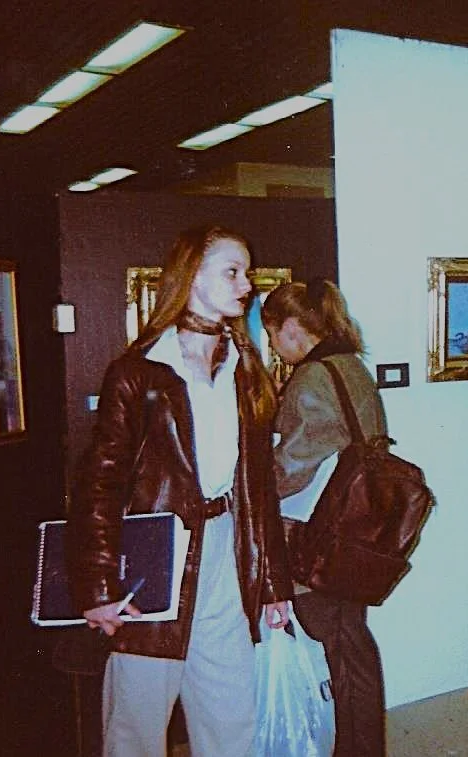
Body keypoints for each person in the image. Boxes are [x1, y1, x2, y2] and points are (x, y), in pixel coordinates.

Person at [68, 223, 293, 757]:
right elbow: (100, 484)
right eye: (232, 272)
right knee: (136, 724)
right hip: (153, 561)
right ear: (192, 277)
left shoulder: (245, 369)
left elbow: (258, 488)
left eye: (247, 273)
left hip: (226, 552)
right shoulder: (139, 373)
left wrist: (272, 582)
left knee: (231, 718)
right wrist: (98, 587)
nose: (247, 285)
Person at [263, 280, 388, 757]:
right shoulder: (350, 365)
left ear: (293, 328)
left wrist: (249, 487)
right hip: (356, 529)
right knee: (350, 641)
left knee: (336, 646)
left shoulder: (313, 376)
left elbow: (292, 468)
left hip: (320, 535)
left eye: (273, 333)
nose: (274, 345)